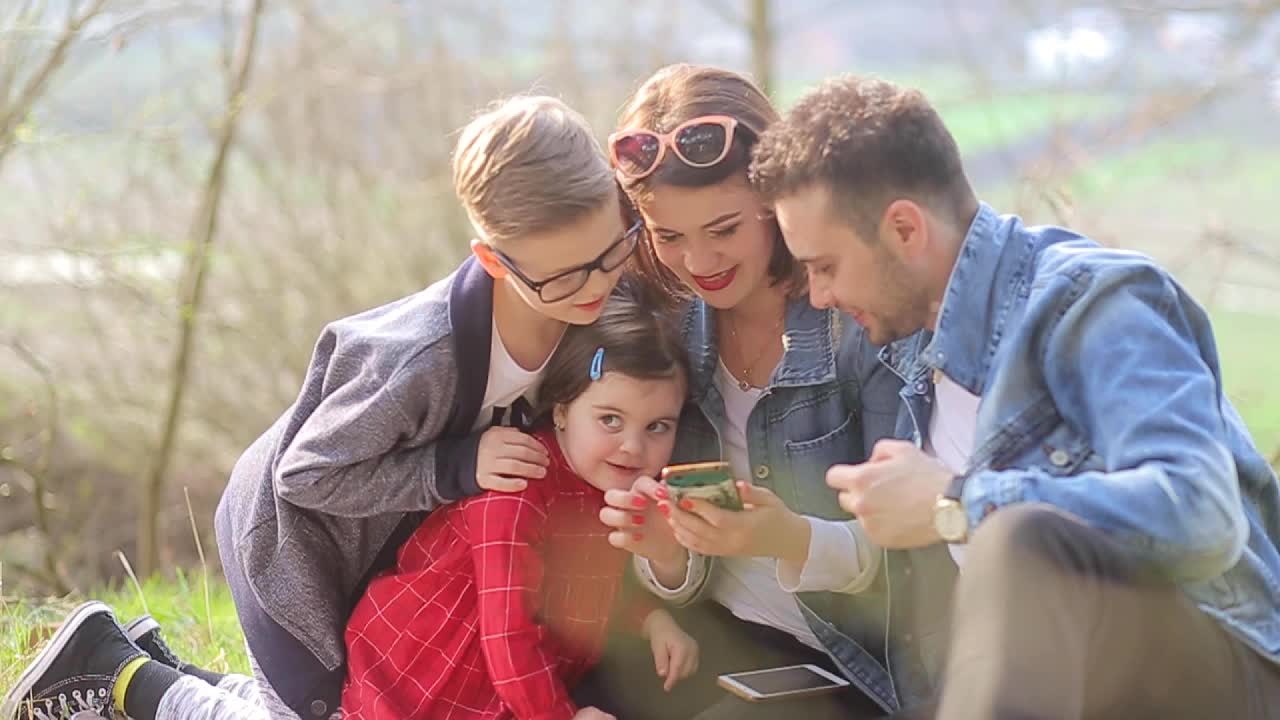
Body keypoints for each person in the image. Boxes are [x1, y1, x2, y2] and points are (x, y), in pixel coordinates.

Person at [2, 95, 640, 720]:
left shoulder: (594, 316)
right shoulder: (417, 360)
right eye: (565, 277)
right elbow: (306, 475)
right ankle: (114, 673)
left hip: (387, 568)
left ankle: (150, 662)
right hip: (293, 552)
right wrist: (453, 466)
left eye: (613, 252)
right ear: (492, 261)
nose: (599, 285)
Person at [750, 73, 1280, 718]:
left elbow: (1200, 515)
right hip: (1069, 691)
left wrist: (957, 502)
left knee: (1019, 538)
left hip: (1217, 675)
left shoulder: (1088, 301)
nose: (820, 295)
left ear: (904, 230)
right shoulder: (914, 350)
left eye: (825, 265)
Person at [581, 64, 905, 720]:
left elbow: (914, 559)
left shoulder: (856, 325)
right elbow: (682, 576)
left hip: (846, 665)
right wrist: (666, 558)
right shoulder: (666, 336)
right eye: (669, 237)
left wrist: (791, 538)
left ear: (774, 201)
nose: (699, 262)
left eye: (724, 230)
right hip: (706, 644)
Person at [341, 293, 698, 720]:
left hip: (509, 688)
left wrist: (651, 618)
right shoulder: (518, 486)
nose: (633, 447)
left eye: (657, 426)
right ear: (563, 411)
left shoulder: (616, 484)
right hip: (419, 682)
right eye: (610, 420)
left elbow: (587, 590)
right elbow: (509, 634)